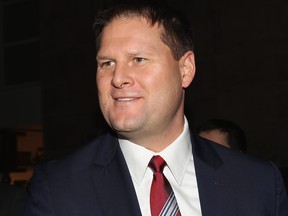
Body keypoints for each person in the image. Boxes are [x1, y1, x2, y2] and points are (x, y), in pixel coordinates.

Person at [24, 2, 288, 215]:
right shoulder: (58, 189)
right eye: (107, 63)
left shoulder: (258, 183)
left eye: (138, 59)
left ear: (185, 69)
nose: (117, 78)